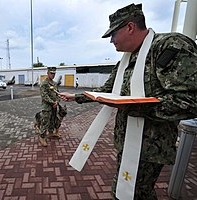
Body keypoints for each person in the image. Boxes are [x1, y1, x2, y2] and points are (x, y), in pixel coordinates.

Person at [59, 3, 197, 200]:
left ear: (130, 27)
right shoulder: (126, 61)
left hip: (150, 145)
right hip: (127, 141)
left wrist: (138, 106)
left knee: (127, 194)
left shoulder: (170, 46)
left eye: (113, 34)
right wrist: (77, 96)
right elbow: (107, 90)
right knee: (136, 193)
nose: (111, 41)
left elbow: (190, 99)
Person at [38, 67, 61, 147]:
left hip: (54, 106)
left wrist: (57, 102)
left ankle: (50, 133)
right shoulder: (44, 83)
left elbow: (58, 94)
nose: (53, 75)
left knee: (52, 120)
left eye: (54, 73)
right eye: (51, 73)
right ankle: (42, 137)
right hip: (47, 106)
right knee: (45, 122)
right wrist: (53, 102)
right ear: (47, 73)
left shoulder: (54, 83)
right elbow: (44, 96)